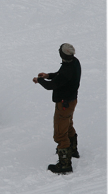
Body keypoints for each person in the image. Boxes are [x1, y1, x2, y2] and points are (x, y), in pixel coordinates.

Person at [33, 43, 81, 174]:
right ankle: (73, 149)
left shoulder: (67, 70)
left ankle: (65, 164)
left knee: (60, 133)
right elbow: (59, 75)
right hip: (71, 102)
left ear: (62, 55)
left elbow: (51, 86)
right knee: (68, 125)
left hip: (64, 104)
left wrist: (39, 80)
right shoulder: (74, 62)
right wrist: (47, 75)